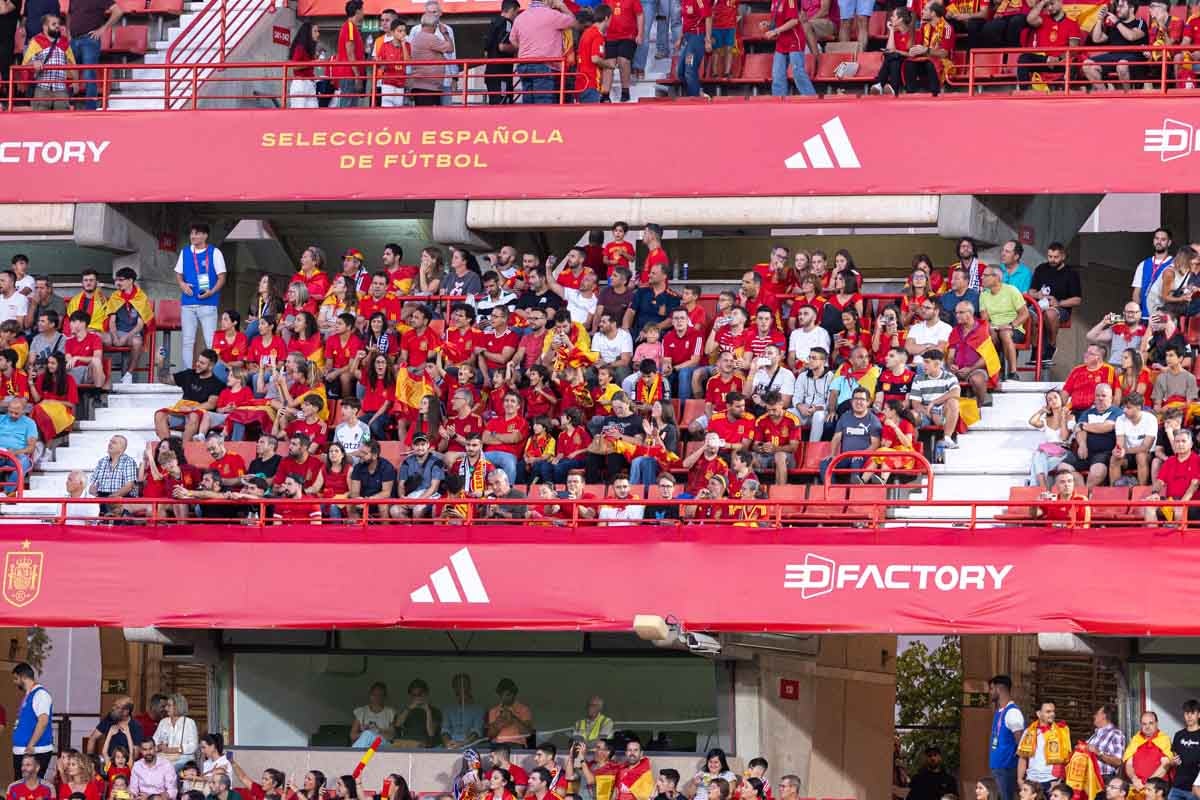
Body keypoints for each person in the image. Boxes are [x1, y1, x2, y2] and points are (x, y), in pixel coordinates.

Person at [174, 223, 226, 371]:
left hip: (208, 303)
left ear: (205, 235)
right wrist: (182, 284)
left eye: (197, 233)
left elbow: (222, 277)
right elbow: (178, 274)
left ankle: (212, 373)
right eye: (191, 233)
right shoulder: (185, 252)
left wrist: (211, 291)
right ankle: (187, 373)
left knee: (211, 341)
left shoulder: (215, 253)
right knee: (187, 341)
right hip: (188, 303)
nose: (193, 236)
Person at [508, 0, 576, 103]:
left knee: (528, 103)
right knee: (543, 104)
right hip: (544, 65)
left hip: (524, 65)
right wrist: (562, 6)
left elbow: (512, 39)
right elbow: (573, 22)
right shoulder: (553, 15)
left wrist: (526, 48)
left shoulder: (520, 17)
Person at [1059, 383, 1120, 490]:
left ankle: (1085, 496)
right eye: (1097, 395)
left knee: (1097, 472)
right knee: (1063, 468)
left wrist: (1084, 426)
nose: (1100, 398)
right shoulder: (1087, 412)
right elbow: (1079, 430)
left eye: (1103, 396)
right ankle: (1082, 491)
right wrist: (1082, 445)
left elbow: (1106, 427)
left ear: (1111, 398)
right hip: (1086, 451)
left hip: (1104, 453)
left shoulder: (1116, 412)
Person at [101, 268, 153, 385]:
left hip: (132, 333)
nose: (117, 283)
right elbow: (112, 321)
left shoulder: (141, 297)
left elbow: (140, 325)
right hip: (116, 332)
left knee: (137, 342)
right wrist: (114, 336)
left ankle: (128, 374)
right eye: (116, 280)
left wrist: (125, 338)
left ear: (130, 280)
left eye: (121, 280)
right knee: (99, 337)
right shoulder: (115, 296)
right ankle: (101, 375)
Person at [1081, 0, 1148, 90]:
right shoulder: (1113, 25)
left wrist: (1117, 22)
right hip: (1113, 56)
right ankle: (1104, 95)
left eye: (1121, 6)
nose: (1118, 9)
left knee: (1122, 65)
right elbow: (1097, 39)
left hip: (1134, 57)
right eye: (1117, 6)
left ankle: (1127, 96)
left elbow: (1131, 36)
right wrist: (1100, 19)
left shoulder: (1140, 22)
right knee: (1087, 64)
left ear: (1131, 8)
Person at [67, 0, 121, 109]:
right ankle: (68, 105)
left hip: (89, 40)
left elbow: (118, 11)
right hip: (73, 39)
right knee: (70, 74)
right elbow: (69, 14)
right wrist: (68, 33)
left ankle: (90, 108)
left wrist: (102, 29)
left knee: (89, 74)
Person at [979, 266, 1029, 381]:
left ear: (997, 278)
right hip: (994, 328)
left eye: (986, 275)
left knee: (1005, 333)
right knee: (990, 333)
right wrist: (992, 327)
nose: (982, 277)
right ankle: (997, 372)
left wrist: (1010, 325)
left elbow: (1024, 314)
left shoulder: (1011, 290)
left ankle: (1013, 373)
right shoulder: (984, 295)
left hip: (1014, 328)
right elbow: (985, 319)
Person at [821, 387, 881, 483]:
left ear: (868, 402)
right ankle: (833, 492)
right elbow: (836, 438)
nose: (858, 402)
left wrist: (860, 454)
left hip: (863, 457)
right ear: (851, 401)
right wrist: (832, 454)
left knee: (856, 460)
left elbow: (875, 444)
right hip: (845, 457)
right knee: (825, 463)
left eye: (862, 399)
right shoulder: (845, 417)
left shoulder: (873, 420)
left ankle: (855, 491)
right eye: (855, 399)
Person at [1146, 428, 1200, 525]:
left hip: (1191, 503)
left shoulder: (1197, 460)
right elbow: (1160, 482)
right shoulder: (1169, 461)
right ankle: (1152, 538)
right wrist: (1155, 493)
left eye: (1183, 441)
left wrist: (1182, 503)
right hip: (1171, 501)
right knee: (1150, 507)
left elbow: (1194, 485)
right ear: (1174, 444)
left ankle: (1176, 539)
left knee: (1179, 510)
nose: (1180, 444)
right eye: (1177, 441)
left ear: (1191, 444)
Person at [21, 13, 75, 110]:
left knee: (62, 121)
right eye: (54, 24)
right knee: (39, 121)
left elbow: (72, 64)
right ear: (45, 27)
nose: (58, 26)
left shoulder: (65, 42)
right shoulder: (36, 41)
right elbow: (26, 64)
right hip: (42, 89)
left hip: (61, 90)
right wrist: (34, 63)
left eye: (58, 24)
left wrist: (76, 82)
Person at [1016, 701, 1069, 796]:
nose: (1052, 714)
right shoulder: (1029, 732)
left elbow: (1066, 759)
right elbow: (1022, 757)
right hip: (1031, 781)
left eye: (1053, 711)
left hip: (1051, 782)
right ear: (1039, 714)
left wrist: (1059, 781)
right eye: (1048, 712)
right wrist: (1020, 779)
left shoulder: (1061, 732)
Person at [10, 664, 52, 779]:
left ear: (23, 677)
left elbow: (43, 721)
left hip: (34, 750)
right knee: (20, 788)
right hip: (24, 750)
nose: (15, 682)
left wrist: (31, 744)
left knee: (31, 788)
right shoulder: (28, 695)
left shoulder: (40, 694)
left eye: (16, 678)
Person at [988, 675, 1024, 800]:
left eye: (991, 689)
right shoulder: (999, 711)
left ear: (999, 689)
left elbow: (1021, 743)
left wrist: (1019, 770)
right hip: (998, 767)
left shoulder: (1012, 712)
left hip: (1007, 768)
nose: (990, 692)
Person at [1110, 393, 1157, 486]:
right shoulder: (1120, 419)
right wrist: (1119, 451)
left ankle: (1140, 491)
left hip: (1147, 455)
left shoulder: (1150, 419)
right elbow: (1120, 443)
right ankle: (1114, 492)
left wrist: (1125, 450)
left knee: (1141, 456)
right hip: (1128, 455)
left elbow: (1146, 447)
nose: (1124, 410)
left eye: (1128, 407)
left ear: (1138, 407)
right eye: (1124, 407)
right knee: (1114, 458)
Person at [1123, 712, 1173, 794]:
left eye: (1151, 723)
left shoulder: (1164, 739)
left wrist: (1147, 783)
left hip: (1156, 788)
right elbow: (1128, 764)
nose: (1147, 727)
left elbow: (1165, 765)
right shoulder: (1136, 739)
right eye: (1144, 724)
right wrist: (1134, 779)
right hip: (1137, 786)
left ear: (1157, 723)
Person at [332, 0, 366, 106]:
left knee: (350, 107)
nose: (364, 12)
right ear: (358, 11)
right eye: (362, 10)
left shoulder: (351, 27)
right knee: (347, 106)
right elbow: (350, 52)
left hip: (349, 73)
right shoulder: (350, 27)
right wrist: (357, 76)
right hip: (349, 74)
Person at [152, 694, 197, 770]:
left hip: (183, 761)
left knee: (171, 769)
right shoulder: (163, 722)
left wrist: (172, 750)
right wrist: (160, 747)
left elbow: (193, 746)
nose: (166, 708)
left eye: (169, 706)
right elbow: (154, 741)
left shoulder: (189, 722)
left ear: (178, 707)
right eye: (166, 706)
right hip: (165, 759)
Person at [0, 398, 38, 485]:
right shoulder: (1, 419)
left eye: (16, 413)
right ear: (8, 409)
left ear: (23, 411)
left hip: (16, 456)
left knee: (24, 462)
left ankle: (7, 493)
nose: (13, 415)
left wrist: (15, 452)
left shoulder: (30, 423)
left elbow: (31, 448)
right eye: (10, 412)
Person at [1167, 699, 1200, 800]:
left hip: (1196, 787)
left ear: (1199, 715)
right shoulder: (1179, 735)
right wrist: (1173, 762)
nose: (1189, 716)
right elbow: (1174, 757)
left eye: (1192, 713)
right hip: (1177, 786)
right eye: (1186, 713)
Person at [441, 674, 484, 749]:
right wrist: (447, 743)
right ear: (454, 688)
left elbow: (476, 731)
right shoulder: (448, 709)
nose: (462, 688)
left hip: (470, 745)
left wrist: (462, 744)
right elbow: (445, 730)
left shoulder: (478, 709)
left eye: (464, 685)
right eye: (458, 686)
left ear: (469, 687)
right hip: (450, 745)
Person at [1086, 705, 1126, 782]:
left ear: (1103, 716)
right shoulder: (1096, 734)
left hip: (1104, 779)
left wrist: (1098, 752)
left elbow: (1118, 761)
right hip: (1091, 777)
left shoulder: (1116, 734)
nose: (1094, 716)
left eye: (1097, 713)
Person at [486, 679, 533, 746]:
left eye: (509, 694)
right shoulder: (493, 711)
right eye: (503, 695)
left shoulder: (524, 709)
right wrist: (500, 722)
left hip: (518, 746)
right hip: (499, 746)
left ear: (514, 694)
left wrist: (513, 718)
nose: (506, 697)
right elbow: (490, 736)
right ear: (499, 695)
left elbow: (528, 734)